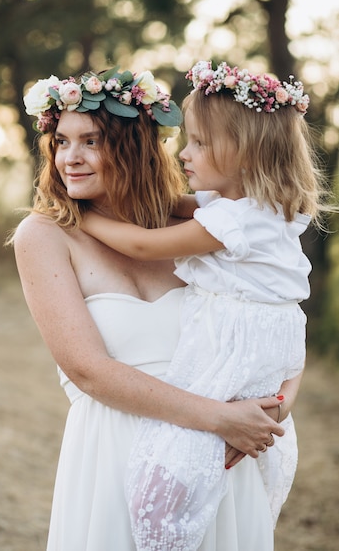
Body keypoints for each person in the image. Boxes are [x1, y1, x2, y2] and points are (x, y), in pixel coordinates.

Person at [12, 64, 301, 551]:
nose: (70, 159)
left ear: (135, 146)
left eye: (92, 141)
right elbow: (88, 371)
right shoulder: (43, 235)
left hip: (218, 457)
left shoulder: (205, 226)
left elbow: (279, 328)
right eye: (61, 141)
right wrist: (217, 417)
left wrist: (268, 414)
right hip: (113, 455)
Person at [80, 60, 333, 551]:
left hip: (239, 347)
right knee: (204, 464)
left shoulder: (236, 222)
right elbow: (175, 205)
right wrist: (134, 191)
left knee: (172, 473)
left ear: (245, 153)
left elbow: (141, 245)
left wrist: (84, 215)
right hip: (268, 340)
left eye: (198, 142)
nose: (184, 152)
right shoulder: (256, 211)